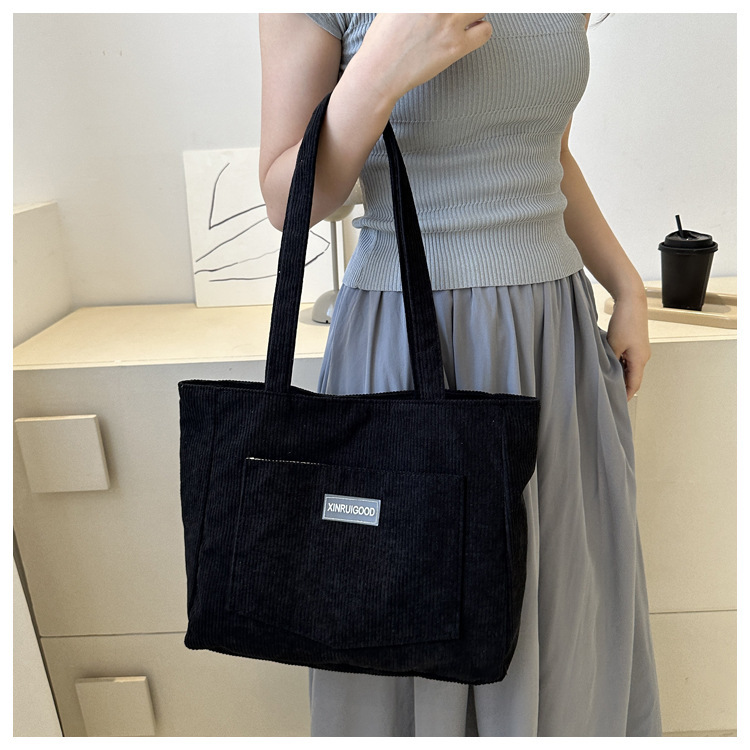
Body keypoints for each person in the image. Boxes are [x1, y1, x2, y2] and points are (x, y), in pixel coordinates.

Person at [258, 13, 662, 737]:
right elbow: (287, 199)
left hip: (553, 346)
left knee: (561, 625)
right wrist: (379, 68)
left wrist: (626, 286)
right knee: (404, 624)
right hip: (405, 351)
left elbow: (547, 152)